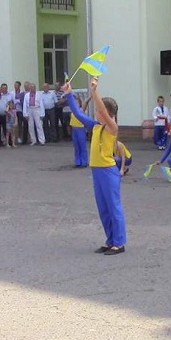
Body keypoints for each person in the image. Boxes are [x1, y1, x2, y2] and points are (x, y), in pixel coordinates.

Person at [63, 78, 126, 255]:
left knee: (113, 207)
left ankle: (119, 243)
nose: (96, 113)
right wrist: (69, 94)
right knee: (103, 208)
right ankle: (110, 240)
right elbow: (78, 113)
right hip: (97, 171)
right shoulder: (96, 126)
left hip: (108, 171)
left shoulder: (112, 127)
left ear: (107, 113)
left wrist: (94, 91)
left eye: (99, 111)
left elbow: (102, 110)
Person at [69, 94, 88, 167]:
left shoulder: (81, 110)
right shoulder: (73, 111)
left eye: (77, 103)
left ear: (79, 103)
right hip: (74, 129)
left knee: (82, 145)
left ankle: (84, 161)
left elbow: (85, 102)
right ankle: (78, 161)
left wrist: (90, 96)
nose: (75, 104)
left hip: (80, 129)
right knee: (76, 146)